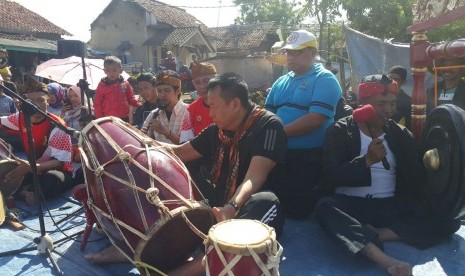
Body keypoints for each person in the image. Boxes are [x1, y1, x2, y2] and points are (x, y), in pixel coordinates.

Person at [84, 73, 286, 275]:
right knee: (178, 170)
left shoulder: (268, 126)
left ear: (234, 104)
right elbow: (179, 152)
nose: (210, 112)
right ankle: (138, 244)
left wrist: (232, 207)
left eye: (213, 106)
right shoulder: (217, 130)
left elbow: (255, 176)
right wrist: (136, 144)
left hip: (247, 203)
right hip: (219, 200)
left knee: (266, 201)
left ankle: (191, 268)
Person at [315, 74, 460, 276]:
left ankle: (376, 234)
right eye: (381, 103)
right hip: (351, 205)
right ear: (362, 105)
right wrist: (366, 161)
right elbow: (330, 176)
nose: (389, 110)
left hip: (389, 205)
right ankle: (387, 261)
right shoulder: (339, 131)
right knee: (325, 207)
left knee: (447, 218)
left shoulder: (400, 134)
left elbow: (415, 180)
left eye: (392, 103)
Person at [265, 29, 342, 218]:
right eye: (289, 52)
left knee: (299, 212)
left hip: (309, 158)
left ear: (313, 53)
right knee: (272, 203)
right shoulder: (280, 81)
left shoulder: (324, 79)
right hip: (280, 154)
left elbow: (316, 119)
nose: (291, 57)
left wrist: (278, 133)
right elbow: (267, 114)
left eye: (297, 52)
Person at [0, 77, 75, 205]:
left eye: (40, 100)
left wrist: (32, 167)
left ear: (48, 101)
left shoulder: (57, 126)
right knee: (7, 175)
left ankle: (27, 192)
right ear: (22, 104)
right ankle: (27, 192)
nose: (35, 105)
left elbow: (59, 163)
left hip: (55, 170)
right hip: (31, 168)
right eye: (30, 101)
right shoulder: (19, 118)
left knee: (52, 179)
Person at [141, 70, 187, 144]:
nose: (162, 95)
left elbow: (189, 146)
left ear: (178, 91)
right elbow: (143, 139)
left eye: (167, 90)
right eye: (159, 91)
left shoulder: (188, 112)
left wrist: (166, 132)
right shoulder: (154, 114)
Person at [93, 56, 141, 122]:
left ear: (121, 70)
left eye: (114, 70)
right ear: (104, 71)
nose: (111, 73)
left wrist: (139, 105)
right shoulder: (102, 85)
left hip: (124, 117)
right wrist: (100, 119)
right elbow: (97, 104)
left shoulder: (124, 83)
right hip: (108, 119)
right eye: (108, 70)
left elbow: (131, 98)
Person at [179, 62, 217, 143]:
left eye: (206, 81)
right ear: (193, 83)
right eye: (197, 82)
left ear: (216, 80)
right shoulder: (191, 110)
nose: (202, 86)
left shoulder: (228, 105)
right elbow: (185, 142)